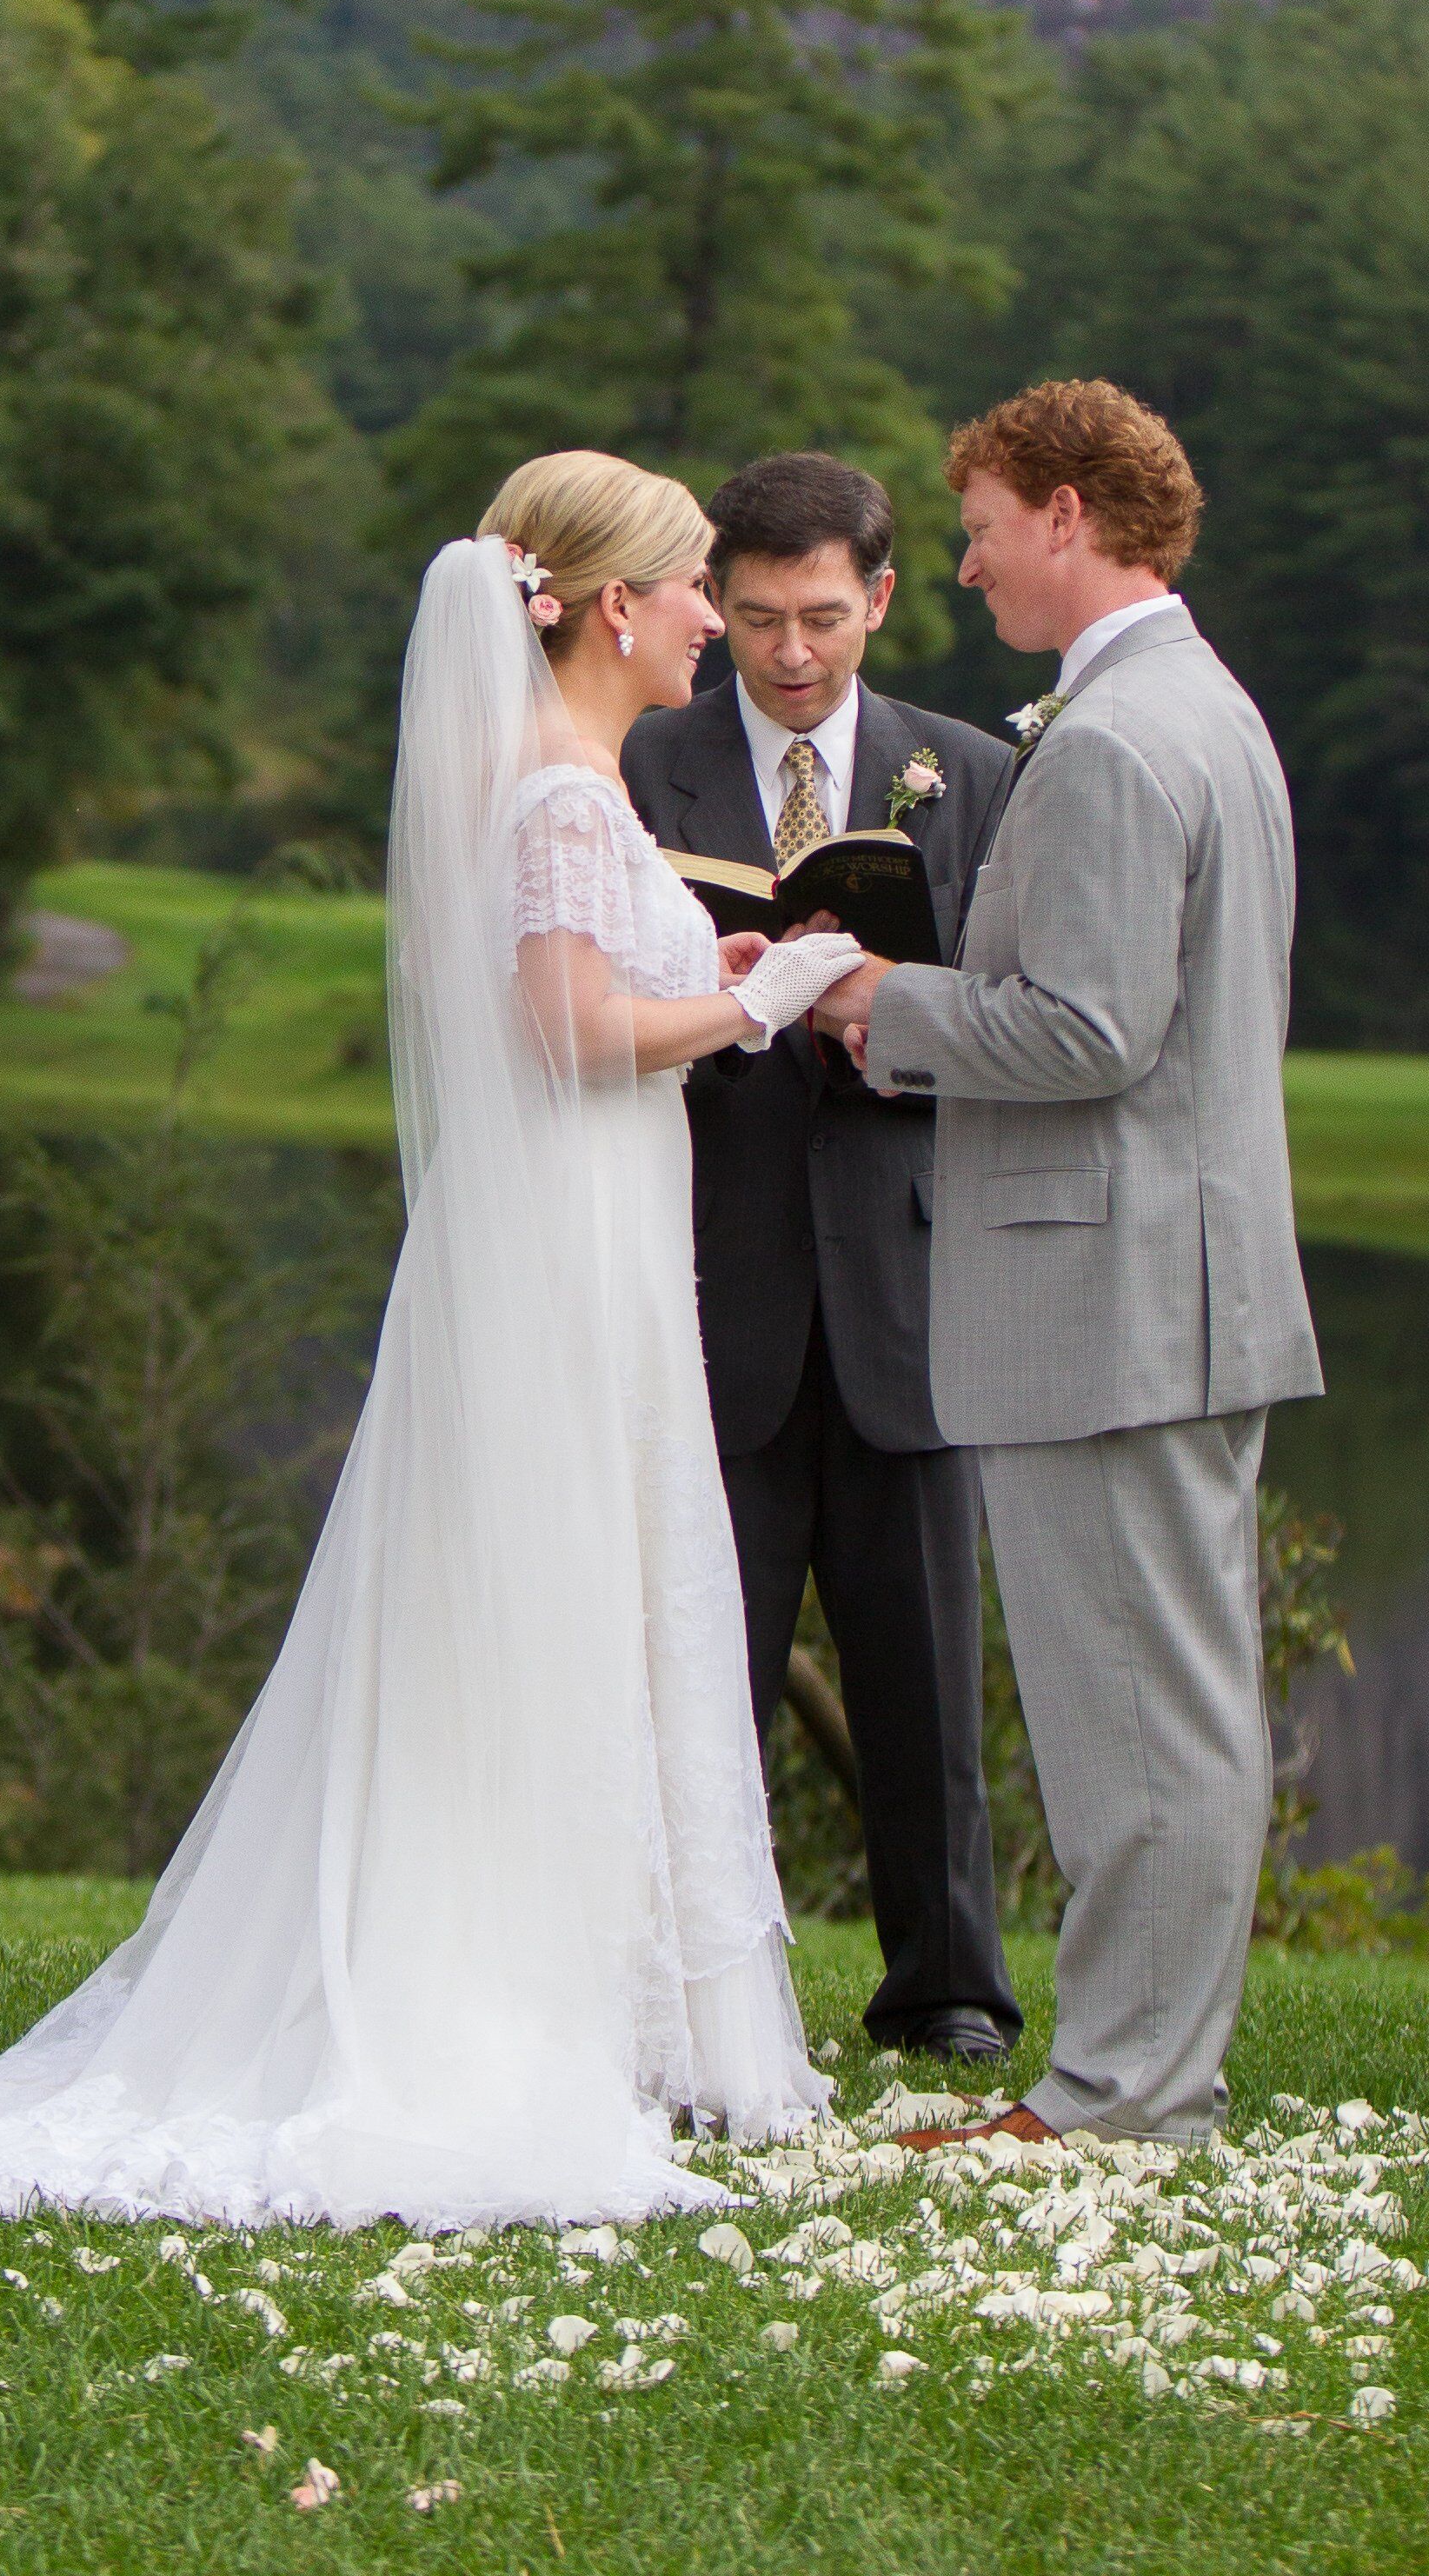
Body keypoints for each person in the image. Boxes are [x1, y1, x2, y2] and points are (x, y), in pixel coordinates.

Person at [0, 453, 862, 2231]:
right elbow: (564, 1032)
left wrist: (703, 965)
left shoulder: (575, 787)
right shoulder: (562, 800)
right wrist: (755, 998)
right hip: (565, 1244)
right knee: (552, 1580)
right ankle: (504, 1999)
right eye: (702, 583)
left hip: (589, 1230)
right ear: (614, 605)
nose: (720, 618)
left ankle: (602, 1993)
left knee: (579, 1578)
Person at [812, 379, 1321, 2154]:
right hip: (1172, 1283)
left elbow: (1095, 1030)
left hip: (1110, 1294)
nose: (963, 563)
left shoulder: (1113, 739)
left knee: (1134, 1720)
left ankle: (1122, 2097)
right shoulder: (1204, 710)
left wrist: (886, 1002)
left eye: (981, 524)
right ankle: (1142, 2080)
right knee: (1169, 1703)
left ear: (1072, 516)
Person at [622, 449, 1020, 2073]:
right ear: (714, 598)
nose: (792, 654)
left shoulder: (968, 774)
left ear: (880, 597)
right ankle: (694, 1991)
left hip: (906, 1278)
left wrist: (896, 1041)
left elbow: (1018, 1016)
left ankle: (947, 1989)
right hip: (712, 1277)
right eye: (762, 617)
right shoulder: (644, 762)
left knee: (921, 1668)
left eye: (824, 618)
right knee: (695, 1672)